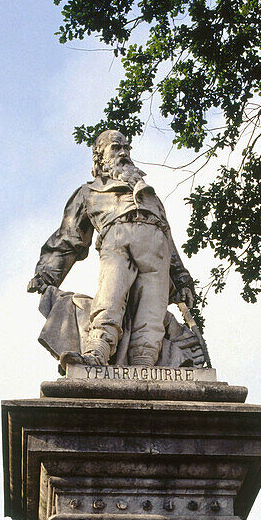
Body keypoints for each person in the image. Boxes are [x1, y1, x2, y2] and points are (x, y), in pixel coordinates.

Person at [28, 130, 199, 366]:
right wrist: (47, 273)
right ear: (100, 156)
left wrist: (181, 278)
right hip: (117, 245)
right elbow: (68, 236)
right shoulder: (88, 192)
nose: (124, 153)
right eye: (116, 147)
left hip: (156, 254)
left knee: (151, 318)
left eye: (126, 148)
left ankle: (145, 366)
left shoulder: (151, 196)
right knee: (109, 301)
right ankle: (95, 354)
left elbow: (168, 239)